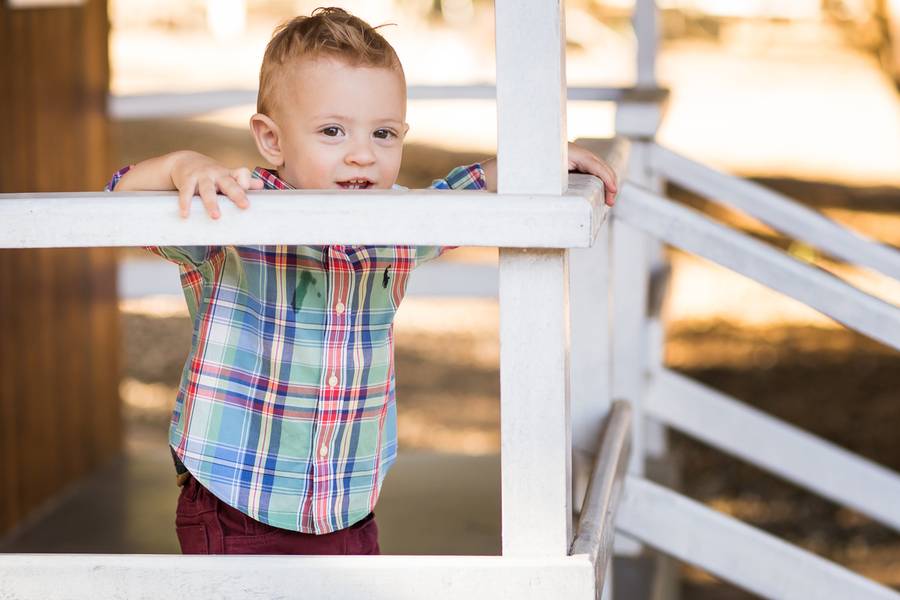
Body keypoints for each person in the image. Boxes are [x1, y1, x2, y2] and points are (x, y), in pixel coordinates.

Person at [107, 7, 618, 555]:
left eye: (383, 133)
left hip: (346, 501)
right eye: (332, 131)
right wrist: (183, 164)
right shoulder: (233, 208)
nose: (363, 153)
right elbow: (121, 199)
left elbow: (461, 197)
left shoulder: (394, 220)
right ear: (272, 140)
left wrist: (536, 164)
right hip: (236, 494)